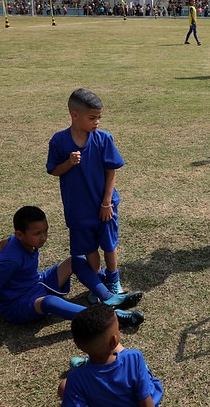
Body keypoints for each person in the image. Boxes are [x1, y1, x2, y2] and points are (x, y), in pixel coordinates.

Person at [0, 206, 144, 327]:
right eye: (37, 233)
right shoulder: (10, 261)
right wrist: (4, 291)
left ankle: (108, 297)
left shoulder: (14, 240)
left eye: (46, 231)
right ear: (20, 234)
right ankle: (105, 319)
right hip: (18, 305)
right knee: (50, 301)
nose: (43, 237)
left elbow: (2, 243)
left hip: (36, 285)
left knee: (75, 261)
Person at [47, 89, 132, 301]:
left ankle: (113, 280)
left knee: (109, 244)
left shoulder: (103, 139)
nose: (97, 122)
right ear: (74, 115)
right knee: (88, 248)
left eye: (99, 118)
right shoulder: (59, 141)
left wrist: (106, 203)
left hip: (104, 206)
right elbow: (54, 170)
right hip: (78, 208)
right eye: (92, 118)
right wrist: (69, 163)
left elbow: (110, 170)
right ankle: (97, 283)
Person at [58, 305, 162, 406]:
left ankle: (88, 364)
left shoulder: (76, 378)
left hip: (89, 379)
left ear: (77, 344)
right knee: (130, 361)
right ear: (115, 339)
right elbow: (146, 400)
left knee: (63, 387)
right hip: (143, 398)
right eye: (118, 328)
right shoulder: (133, 358)